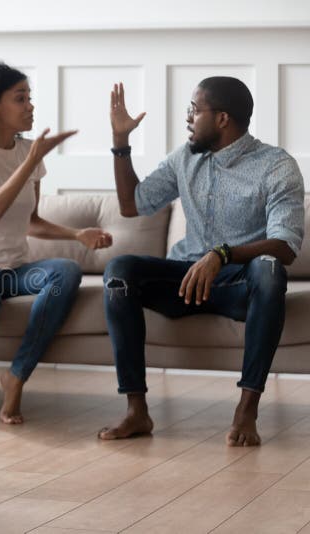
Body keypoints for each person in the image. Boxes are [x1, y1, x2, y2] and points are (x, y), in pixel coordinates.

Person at [100, 77, 305, 446]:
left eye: (195, 110)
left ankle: (247, 409)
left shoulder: (276, 165)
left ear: (222, 118)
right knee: (120, 271)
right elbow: (133, 205)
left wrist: (222, 254)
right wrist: (120, 141)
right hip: (184, 280)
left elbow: (285, 246)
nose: (188, 119)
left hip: (237, 285)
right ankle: (136, 410)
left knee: (270, 269)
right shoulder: (185, 158)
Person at [0, 60, 113, 423]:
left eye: (29, 98)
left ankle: (16, 375)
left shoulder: (27, 152)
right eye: (20, 98)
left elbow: (30, 221)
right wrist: (33, 158)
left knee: (66, 271)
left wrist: (76, 235)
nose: (30, 106)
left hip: (15, 271)